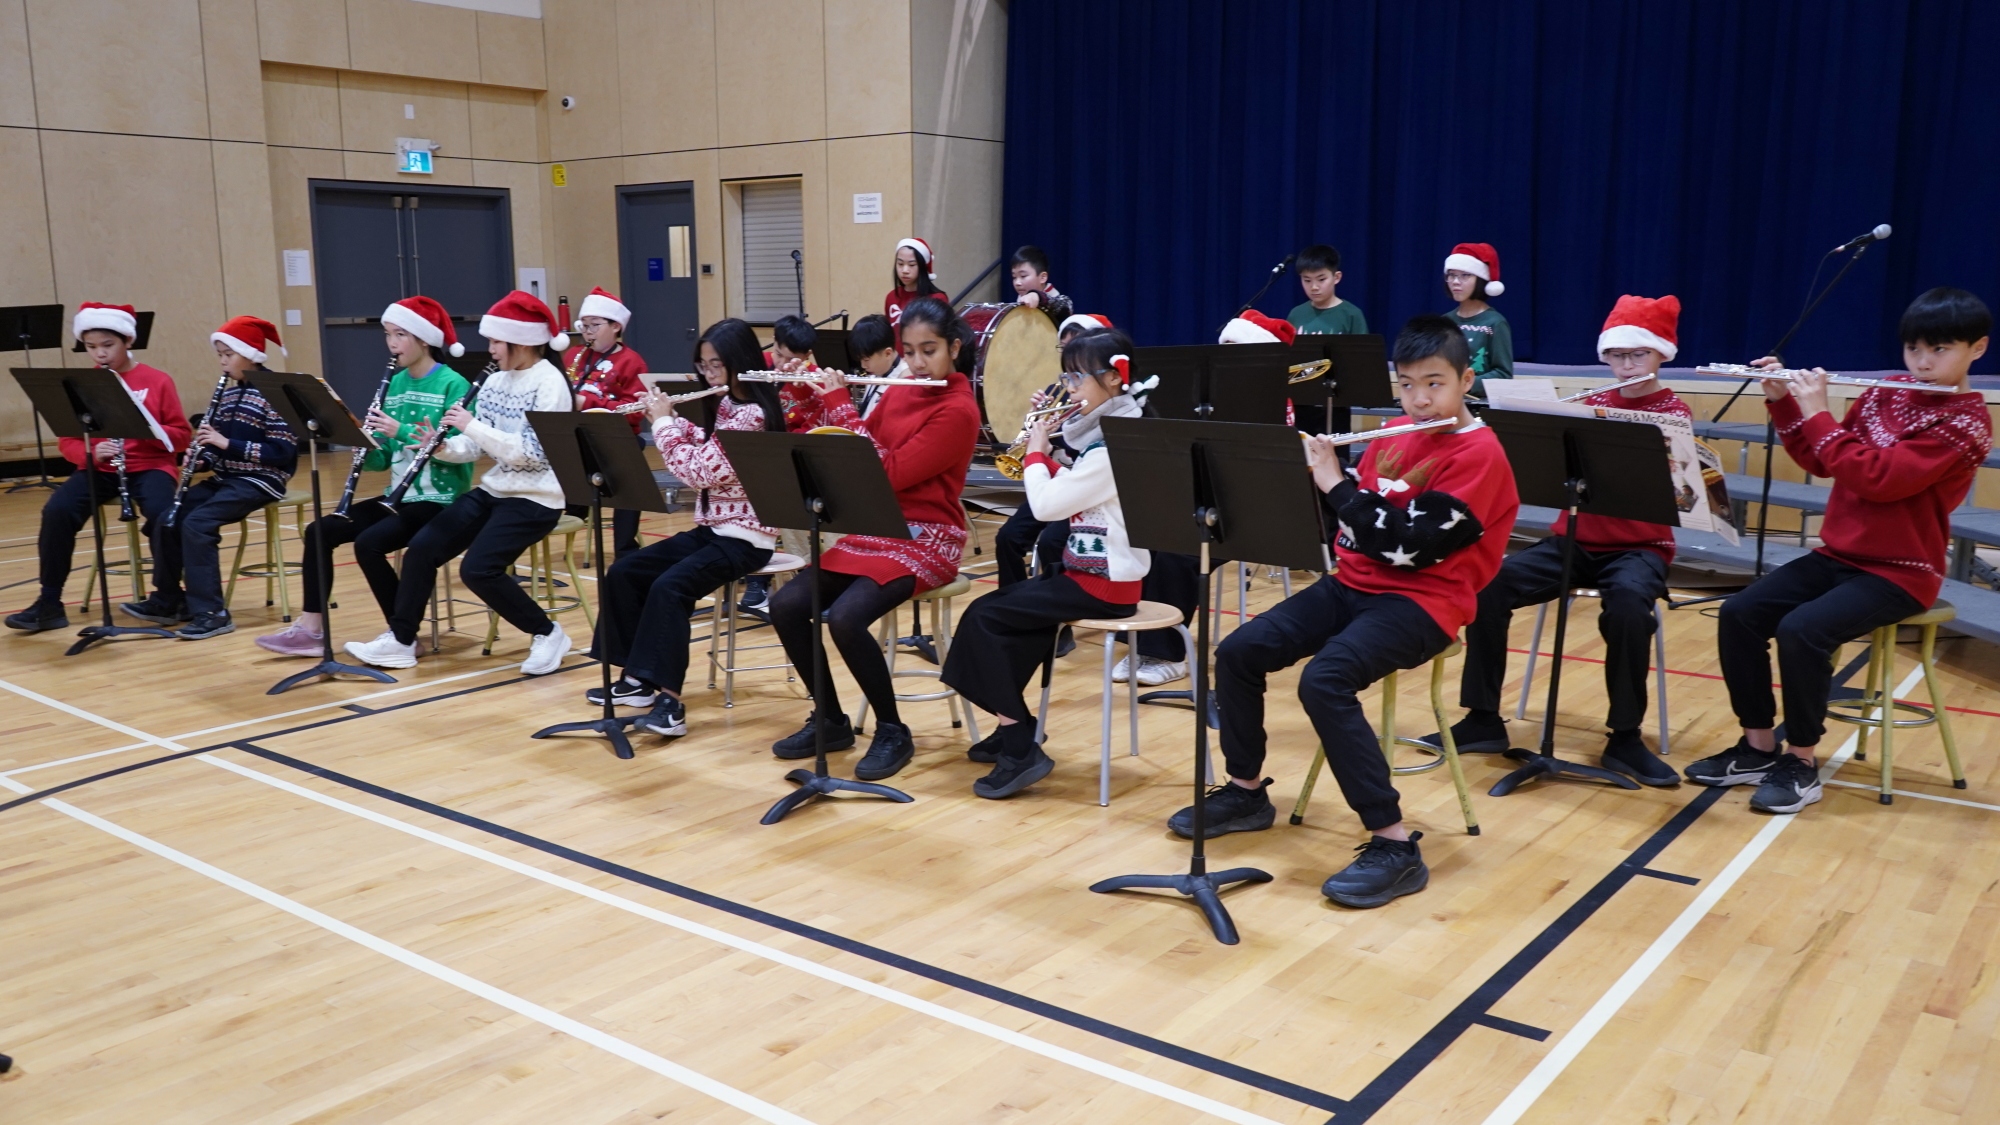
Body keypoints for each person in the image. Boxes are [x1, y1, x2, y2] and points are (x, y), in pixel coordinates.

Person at [1170, 315, 1518, 909]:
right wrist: (1301, 476)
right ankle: (1247, 790)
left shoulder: (1480, 454)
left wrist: (1336, 486)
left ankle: (1394, 844)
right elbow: (1353, 526)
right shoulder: (1393, 434)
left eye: (1434, 384)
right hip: (1353, 586)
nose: (1418, 399)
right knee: (1239, 652)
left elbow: (1408, 544)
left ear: (1466, 380)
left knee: (1324, 680)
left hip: (1424, 601)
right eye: (1407, 385)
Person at [1683, 287, 1993, 814]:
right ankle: (1757, 748)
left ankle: (1801, 762)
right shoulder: (1884, 394)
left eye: (1939, 350)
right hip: (1841, 555)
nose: (1922, 363)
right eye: (1913, 349)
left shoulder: (1967, 424)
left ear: (1977, 349)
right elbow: (1823, 459)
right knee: (1739, 613)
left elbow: (1880, 479)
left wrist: (1818, 411)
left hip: (1902, 571)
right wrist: (1784, 402)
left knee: (1802, 630)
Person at [1431, 295, 1690, 784]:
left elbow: (1682, 493)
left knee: (1629, 608)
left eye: (1639, 354)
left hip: (1639, 549)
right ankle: (1483, 719)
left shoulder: (1672, 412)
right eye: (1617, 355)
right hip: (1575, 539)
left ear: (1661, 354)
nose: (1627, 366)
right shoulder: (1589, 404)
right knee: (1488, 585)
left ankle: (1625, 738)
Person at [766, 297, 983, 779]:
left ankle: (892, 730)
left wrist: (841, 404)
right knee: (785, 605)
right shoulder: (901, 389)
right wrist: (812, 395)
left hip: (929, 535)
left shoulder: (958, 410)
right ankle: (830, 719)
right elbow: (858, 443)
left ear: (954, 347)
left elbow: (885, 471)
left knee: (846, 618)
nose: (917, 362)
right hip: (878, 525)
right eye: (909, 351)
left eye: (929, 350)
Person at [942, 328, 1150, 797]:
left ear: (1114, 379)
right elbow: (1080, 488)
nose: (1070, 389)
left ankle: (1020, 744)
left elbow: (1047, 506)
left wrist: (1036, 451)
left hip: (1104, 582)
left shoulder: (1115, 443)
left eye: (1078, 378)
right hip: (1091, 573)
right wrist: (1051, 455)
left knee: (983, 617)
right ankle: (1012, 725)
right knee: (1011, 622)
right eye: (1067, 377)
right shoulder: (1112, 431)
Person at [343, 291, 575, 674]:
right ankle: (402, 640)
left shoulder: (550, 383)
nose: (491, 350)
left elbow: (533, 454)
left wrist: (471, 425)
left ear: (521, 341)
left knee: (478, 569)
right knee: (422, 548)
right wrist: (440, 446)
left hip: (537, 497)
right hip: (495, 489)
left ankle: (547, 633)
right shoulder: (496, 381)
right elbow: (473, 447)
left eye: (496, 341)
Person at [586, 318, 787, 736]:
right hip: (715, 530)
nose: (708, 374)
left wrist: (662, 424)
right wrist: (673, 418)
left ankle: (670, 704)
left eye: (716, 365)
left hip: (746, 537)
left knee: (670, 588)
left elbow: (699, 472)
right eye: (703, 365)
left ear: (739, 361)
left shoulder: (754, 415)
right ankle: (637, 678)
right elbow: (706, 441)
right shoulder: (729, 403)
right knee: (626, 571)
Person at [254, 297, 474, 657]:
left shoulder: (454, 385)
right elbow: (383, 460)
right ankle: (311, 629)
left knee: (369, 543)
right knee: (320, 531)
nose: (391, 343)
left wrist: (401, 430)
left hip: (440, 498)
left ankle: (403, 635)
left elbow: (461, 449)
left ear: (423, 339)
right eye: (387, 334)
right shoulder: (395, 383)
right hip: (399, 494)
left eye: (400, 335)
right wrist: (363, 444)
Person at [6, 304, 191, 634]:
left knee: (165, 515)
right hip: (101, 469)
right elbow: (67, 440)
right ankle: (49, 602)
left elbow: (181, 436)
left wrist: (147, 432)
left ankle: (168, 596)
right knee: (57, 511)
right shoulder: (81, 384)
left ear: (128, 341)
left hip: (150, 466)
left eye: (108, 345)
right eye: (91, 347)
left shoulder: (157, 381)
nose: (100, 354)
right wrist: (91, 453)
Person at [121, 316, 297, 640]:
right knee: (166, 517)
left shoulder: (276, 393)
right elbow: (216, 450)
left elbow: (282, 452)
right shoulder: (227, 397)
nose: (223, 362)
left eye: (229, 354)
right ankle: (169, 600)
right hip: (227, 478)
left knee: (197, 523)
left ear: (251, 355)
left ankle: (212, 613)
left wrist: (227, 444)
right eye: (220, 355)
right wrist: (202, 460)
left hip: (261, 480)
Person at [561, 287, 650, 556]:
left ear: (615, 326)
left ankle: (625, 549)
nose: (587, 332)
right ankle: (567, 514)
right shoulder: (573, 355)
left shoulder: (632, 362)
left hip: (617, 437)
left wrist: (587, 403)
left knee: (630, 477)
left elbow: (634, 411)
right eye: (584, 326)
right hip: (575, 436)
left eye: (594, 325)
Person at [1443, 242, 1514, 394]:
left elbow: (1503, 374)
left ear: (1480, 279)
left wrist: (1464, 385)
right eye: (1452, 275)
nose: (1455, 281)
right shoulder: (1445, 322)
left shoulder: (1495, 323)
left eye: (1465, 275)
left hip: (1479, 403)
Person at [1287, 244, 1368, 336]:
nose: (1314, 287)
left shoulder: (1352, 314)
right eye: (1307, 280)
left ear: (1336, 277)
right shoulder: (1296, 314)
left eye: (1321, 279)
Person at [885, 237, 945, 349]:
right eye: (900, 264)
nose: (905, 270)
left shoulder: (937, 299)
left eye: (911, 265)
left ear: (922, 266)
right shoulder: (891, 297)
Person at [1008, 244, 1074, 322]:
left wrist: (1038, 296)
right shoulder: (1019, 300)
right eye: (1014, 277)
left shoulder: (1057, 300)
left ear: (1042, 277)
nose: (1017, 282)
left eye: (1023, 276)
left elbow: (1066, 305)